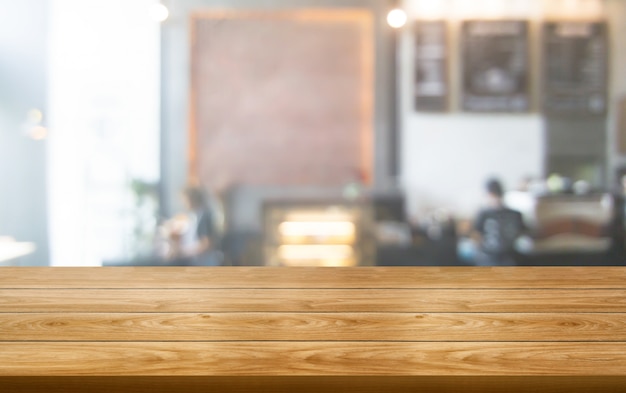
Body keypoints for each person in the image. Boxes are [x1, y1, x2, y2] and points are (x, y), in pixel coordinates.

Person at [472, 178, 526, 266]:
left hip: (492, 258)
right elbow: (522, 232)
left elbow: (476, 235)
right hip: (509, 258)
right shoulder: (515, 214)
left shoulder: (484, 214)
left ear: (489, 194)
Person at [163, 186, 221, 266]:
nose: (183, 203)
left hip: (203, 262)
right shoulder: (192, 217)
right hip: (192, 260)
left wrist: (182, 251)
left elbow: (206, 244)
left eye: (184, 199)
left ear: (191, 199)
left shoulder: (204, 216)